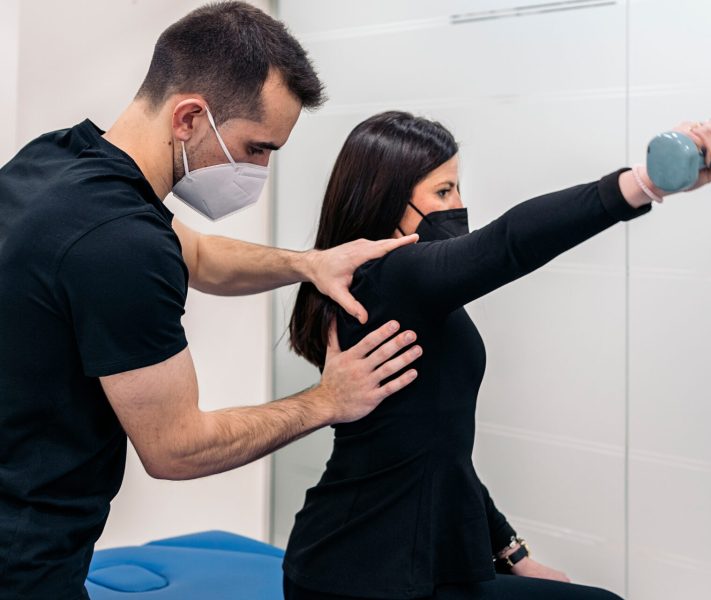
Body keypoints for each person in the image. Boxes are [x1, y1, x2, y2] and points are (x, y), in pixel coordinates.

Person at [0, 4, 423, 599]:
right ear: (190, 117)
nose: (261, 169)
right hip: (24, 559)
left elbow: (194, 255)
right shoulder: (119, 243)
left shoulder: (62, 159)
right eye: (256, 148)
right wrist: (327, 400)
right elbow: (177, 448)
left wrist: (309, 264)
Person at [285, 111, 711, 599]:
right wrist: (644, 184)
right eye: (443, 192)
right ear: (388, 201)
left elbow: (438, 452)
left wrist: (513, 554)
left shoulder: (390, 287)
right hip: (359, 577)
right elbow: (507, 243)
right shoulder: (390, 275)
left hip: (383, 561)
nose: (459, 205)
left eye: (458, 188)